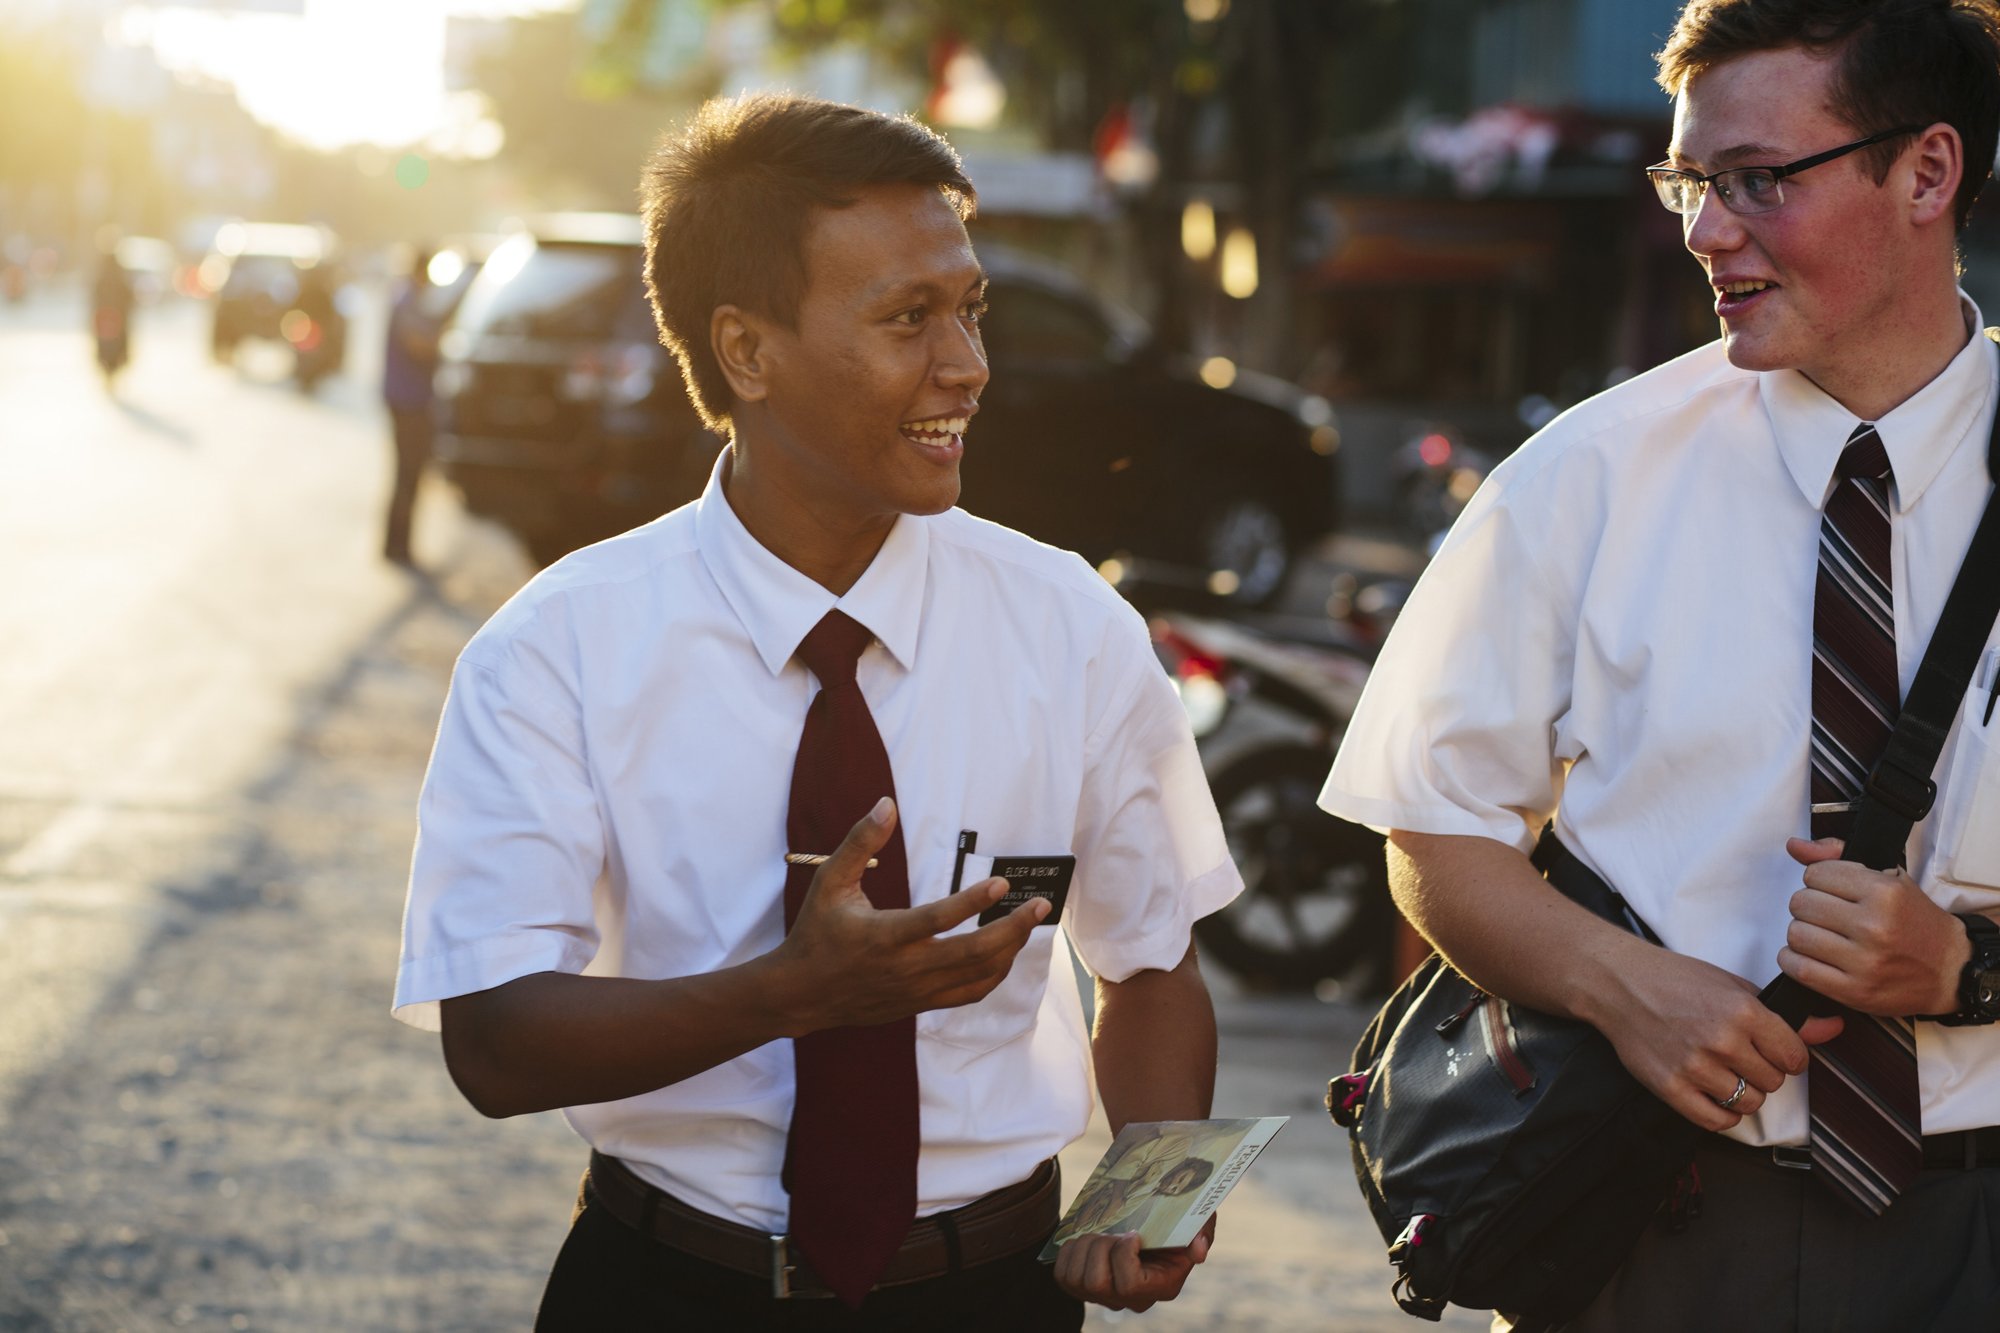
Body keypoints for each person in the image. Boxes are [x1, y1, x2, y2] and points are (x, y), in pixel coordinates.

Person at [393, 92, 1241, 1330]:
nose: (967, 363)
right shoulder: (557, 649)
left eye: (969, 308)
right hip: (670, 1288)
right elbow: (496, 1039)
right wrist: (790, 992)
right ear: (746, 352)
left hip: (990, 1293)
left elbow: (1153, 961)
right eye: (908, 319)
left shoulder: (1069, 628)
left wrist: (1148, 1197)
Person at [1319, 2, 2000, 1329]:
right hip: (1658, 1217)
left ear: (1927, 172)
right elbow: (1437, 832)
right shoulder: (1581, 480)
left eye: (1757, 179)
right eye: (1690, 180)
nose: (1703, 230)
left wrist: (1968, 971)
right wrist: (1625, 991)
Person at [381, 247, 438, 568]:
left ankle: (398, 544)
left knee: (409, 474)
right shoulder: (407, 299)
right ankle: (396, 546)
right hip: (407, 400)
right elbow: (416, 344)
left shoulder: (408, 297)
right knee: (407, 473)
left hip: (410, 397)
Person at [90, 238, 134, 391]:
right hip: (117, 317)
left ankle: (109, 372)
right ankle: (112, 371)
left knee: (105, 345)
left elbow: (94, 296)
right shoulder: (120, 273)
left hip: (105, 317)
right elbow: (128, 296)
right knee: (116, 345)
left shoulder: (100, 273)